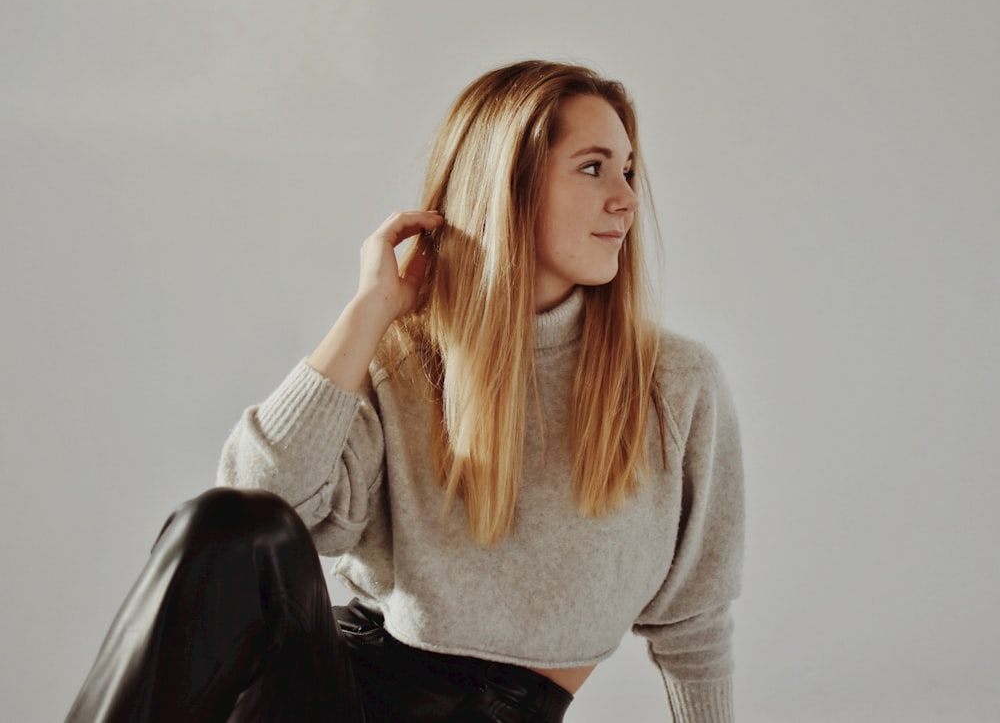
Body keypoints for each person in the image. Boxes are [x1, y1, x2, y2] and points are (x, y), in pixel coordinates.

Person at [66, 60, 744, 723]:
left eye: (627, 170)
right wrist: (368, 314)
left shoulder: (673, 385)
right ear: (510, 183)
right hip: (325, 685)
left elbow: (696, 625)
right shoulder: (405, 361)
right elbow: (258, 507)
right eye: (593, 168)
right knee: (226, 523)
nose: (627, 198)